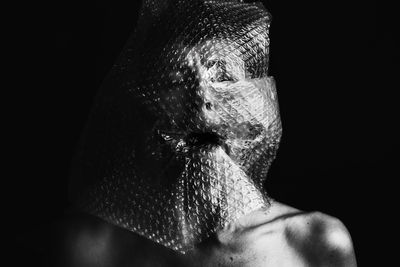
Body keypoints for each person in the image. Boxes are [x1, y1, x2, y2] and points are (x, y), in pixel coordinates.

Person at [62, 0, 357, 266]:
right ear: (148, 106)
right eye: (176, 81)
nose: (201, 96)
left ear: (254, 101)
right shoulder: (94, 246)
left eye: (223, 78)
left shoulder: (314, 242)